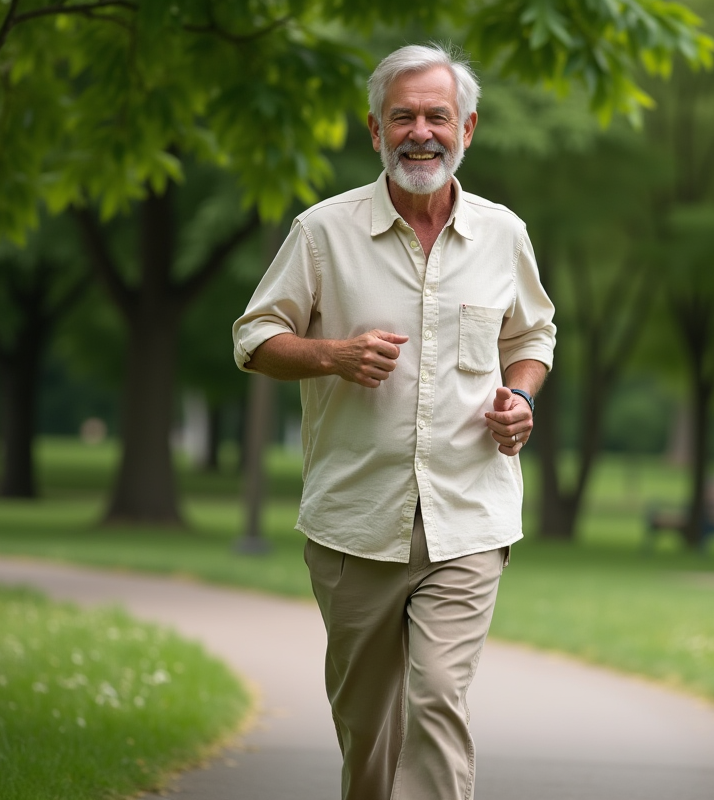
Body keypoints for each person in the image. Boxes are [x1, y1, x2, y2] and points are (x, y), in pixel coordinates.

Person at [231, 44, 555, 800]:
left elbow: (532, 336)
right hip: (355, 520)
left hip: (469, 515)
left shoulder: (504, 234)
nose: (420, 132)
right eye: (401, 116)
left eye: (436, 116)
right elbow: (253, 338)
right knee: (369, 737)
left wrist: (522, 398)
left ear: (466, 128)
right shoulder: (322, 232)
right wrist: (331, 355)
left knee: (438, 700)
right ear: (375, 132)